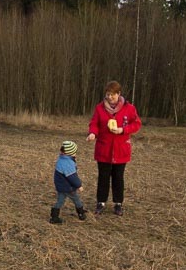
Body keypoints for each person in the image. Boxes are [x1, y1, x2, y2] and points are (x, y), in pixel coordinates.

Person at [87, 81, 142, 216]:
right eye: (107, 95)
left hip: (121, 150)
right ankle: (101, 202)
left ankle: (118, 203)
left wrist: (123, 130)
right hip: (103, 150)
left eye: (112, 95)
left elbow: (136, 124)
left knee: (118, 177)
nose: (109, 97)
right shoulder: (100, 108)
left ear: (118, 94)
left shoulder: (129, 109)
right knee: (103, 177)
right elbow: (94, 123)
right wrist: (93, 133)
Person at [51, 140, 87, 224]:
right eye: (75, 152)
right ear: (70, 153)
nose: (76, 154)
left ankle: (54, 216)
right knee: (76, 199)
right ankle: (81, 213)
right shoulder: (67, 163)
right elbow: (72, 177)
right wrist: (79, 185)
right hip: (67, 187)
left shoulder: (62, 159)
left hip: (62, 185)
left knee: (60, 201)